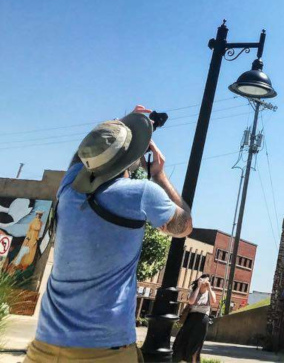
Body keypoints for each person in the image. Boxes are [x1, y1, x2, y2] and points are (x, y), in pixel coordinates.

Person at [25, 106, 193, 362]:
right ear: (132, 157)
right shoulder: (141, 194)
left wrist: (118, 124)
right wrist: (159, 175)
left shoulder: (68, 189)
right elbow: (184, 226)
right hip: (104, 350)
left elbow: (82, 157)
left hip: (45, 346)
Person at [172, 273, 218, 362]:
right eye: (203, 280)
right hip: (191, 318)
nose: (205, 282)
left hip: (203, 319)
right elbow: (191, 301)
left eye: (207, 280)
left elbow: (213, 302)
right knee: (182, 340)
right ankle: (178, 359)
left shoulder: (210, 293)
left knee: (196, 344)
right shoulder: (193, 291)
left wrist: (209, 288)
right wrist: (198, 287)